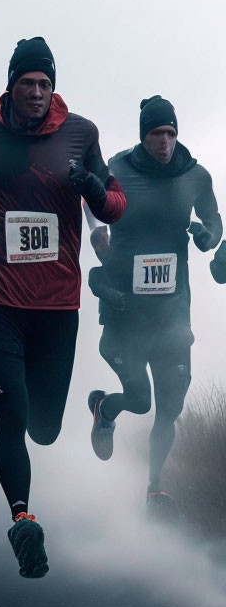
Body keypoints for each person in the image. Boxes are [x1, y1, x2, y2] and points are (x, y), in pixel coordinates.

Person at [0, 37, 126, 577]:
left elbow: (114, 204)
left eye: (46, 84)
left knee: (44, 428)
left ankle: (92, 411)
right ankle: (23, 519)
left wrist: (90, 185)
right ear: (11, 86)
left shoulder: (80, 134)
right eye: (28, 84)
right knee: (11, 417)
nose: (38, 93)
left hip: (55, 304)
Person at [87, 96, 220, 518]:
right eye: (156, 133)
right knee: (140, 399)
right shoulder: (119, 168)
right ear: (143, 135)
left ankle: (154, 490)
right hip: (125, 310)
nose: (164, 142)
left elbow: (216, 224)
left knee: (170, 406)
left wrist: (207, 236)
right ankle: (105, 408)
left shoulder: (195, 176)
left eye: (170, 133)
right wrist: (97, 237)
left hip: (172, 312)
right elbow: (90, 203)